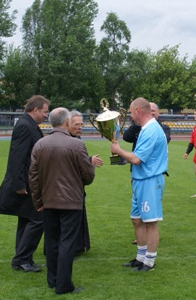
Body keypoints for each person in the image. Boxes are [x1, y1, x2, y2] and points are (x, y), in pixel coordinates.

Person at [30, 107, 95, 295]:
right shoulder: (76, 145)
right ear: (67, 122)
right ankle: (64, 284)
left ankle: (53, 280)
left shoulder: (40, 145)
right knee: (67, 242)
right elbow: (88, 176)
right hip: (71, 202)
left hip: (49, 201)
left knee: (52, 241)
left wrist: (38, 201)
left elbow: (33, 177)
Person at [0, 95, 50, 272]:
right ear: (35, 110)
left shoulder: (27, 124)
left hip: (27, 182)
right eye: (45, 112)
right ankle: (22, 259)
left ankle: (23, 259)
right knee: (38, 219)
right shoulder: (25, 126)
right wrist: (19, 185)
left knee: (26, 219)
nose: (46, 115)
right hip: (25, 184)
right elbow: (18, 157)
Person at [111, 98, 168, 272]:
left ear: (137, 111)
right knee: (136, 219)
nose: (130, 116)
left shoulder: (151, 130)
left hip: (149, 181)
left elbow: (136, 159)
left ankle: (149, 262)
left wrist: (118, 150)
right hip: (140, 180)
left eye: (130, 112)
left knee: (150, 222)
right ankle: (141, 256)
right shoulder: (146, 129)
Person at [68, 111, 104, 255]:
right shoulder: (70, 141)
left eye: (81, 124)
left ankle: (77, 246)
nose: (80, 127)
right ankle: (72, 248)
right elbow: (69, 163)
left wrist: (88, 160)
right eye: (76, 124)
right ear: (67, 124)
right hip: (69, 187)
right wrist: (88, 162)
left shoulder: (76, 139)